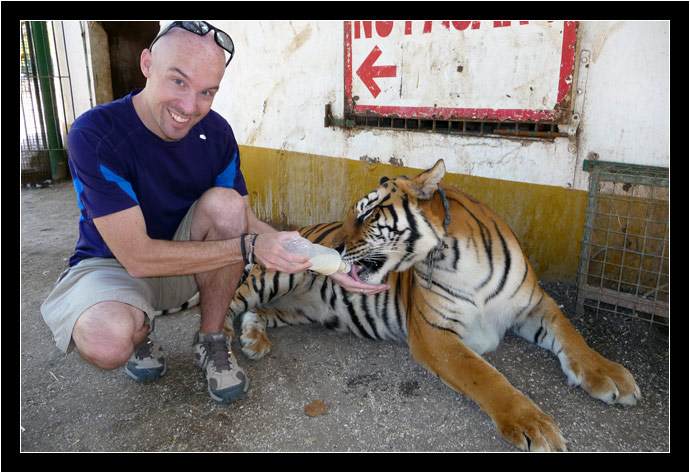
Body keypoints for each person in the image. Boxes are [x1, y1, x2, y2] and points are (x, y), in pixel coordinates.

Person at [40, 21, 388, 403]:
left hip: (185, 262)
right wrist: (249, 248)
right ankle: (139, 325)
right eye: (178, 82)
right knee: (107, 341)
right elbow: (137, 257)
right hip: (113, 263)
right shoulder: (95, 133)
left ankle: (212, 338)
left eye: (207, 91)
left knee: (226, 205)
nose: (190, 108)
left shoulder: (216, 133)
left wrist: (329, 262)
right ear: (147, 64)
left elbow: (244, 222)